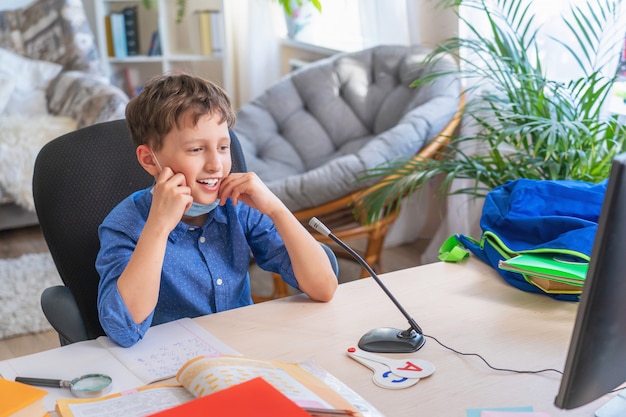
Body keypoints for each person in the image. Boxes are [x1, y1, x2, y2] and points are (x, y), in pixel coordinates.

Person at [96, 73, 338, 347]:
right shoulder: (125, 225)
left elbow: (323, 287)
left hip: (241, 350)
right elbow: (124, 329)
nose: (216, 165)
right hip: (172, 363)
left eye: (223, 147)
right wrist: (159, 227)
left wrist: (276, 209)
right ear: (150, 159)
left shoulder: (238, 206)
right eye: (196, 149)